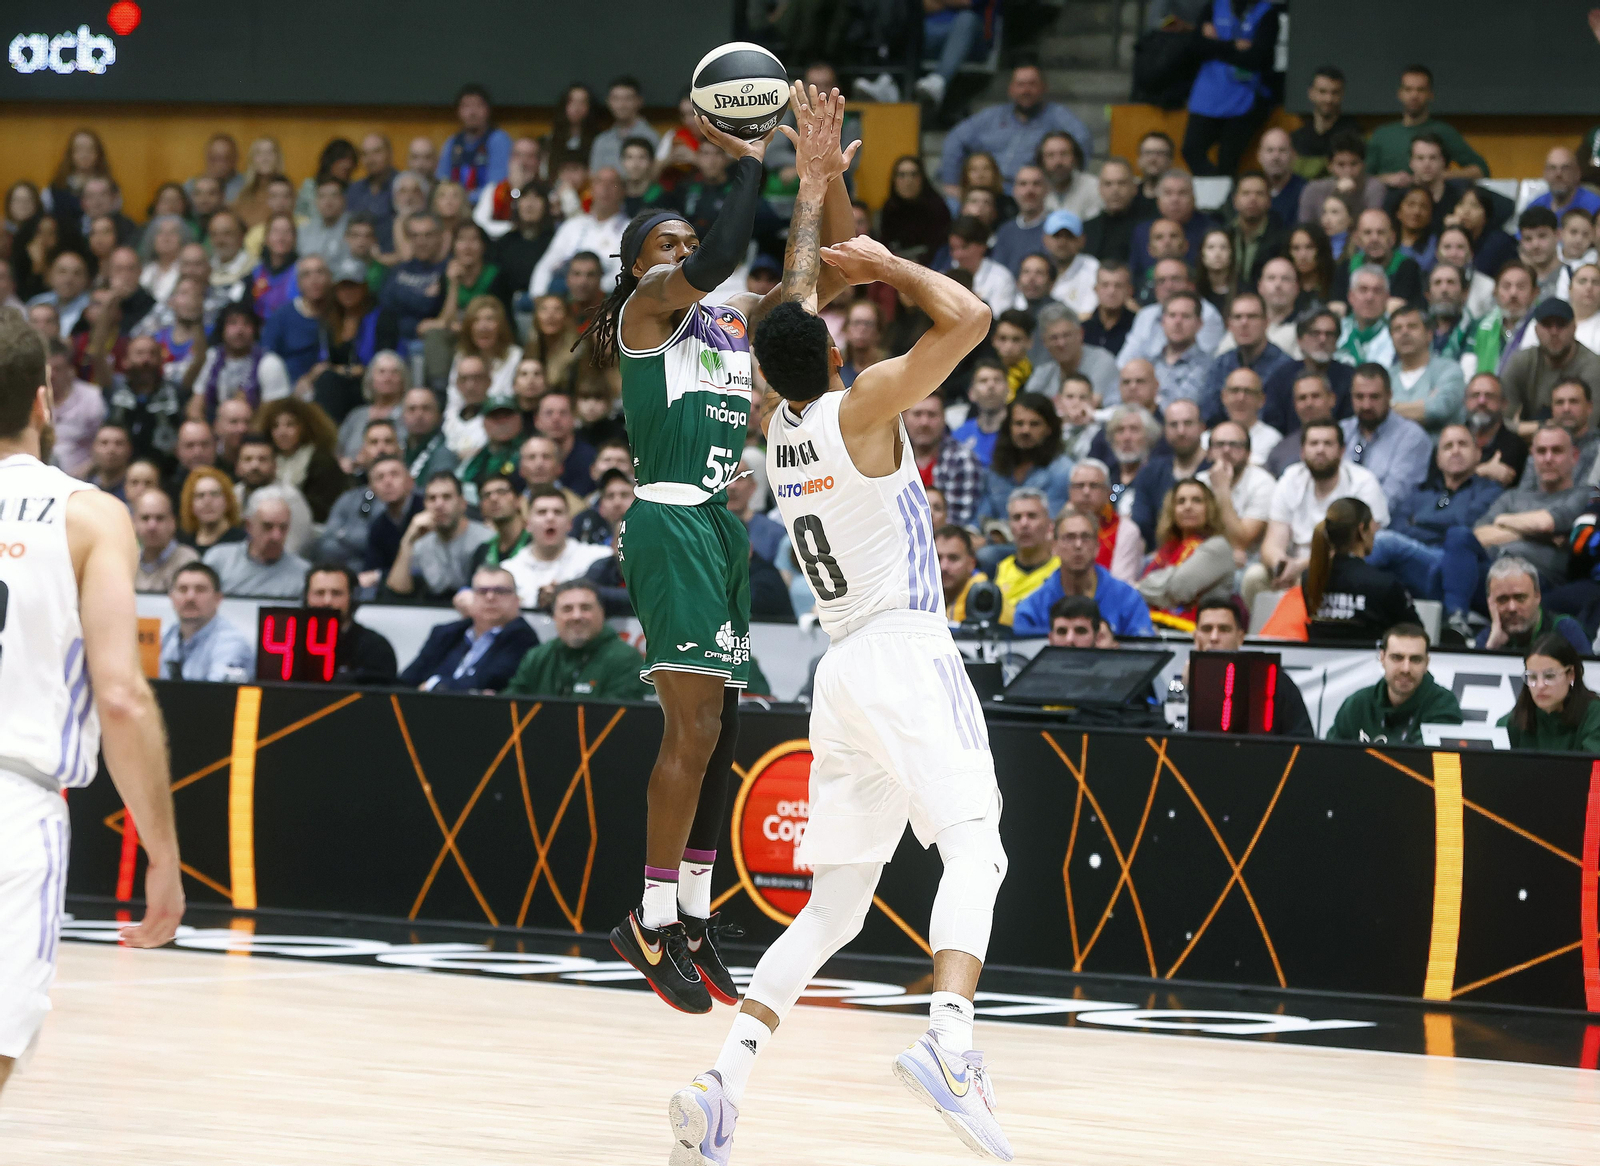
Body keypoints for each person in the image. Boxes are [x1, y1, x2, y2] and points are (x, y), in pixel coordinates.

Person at [668, 216, 1014, 1163]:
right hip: (906, 647)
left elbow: (788, 314)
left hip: (843, 670)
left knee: (834, 907)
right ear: (831, 348)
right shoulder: (862, 406)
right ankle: (950, 1039)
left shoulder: (778, 425)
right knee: (977, 850)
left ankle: (722, 1081)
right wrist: (891, 268)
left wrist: (817, 194)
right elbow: (973, 317)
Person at [584, 87, 862, 1019]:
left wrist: (815, 181)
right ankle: (650, 921)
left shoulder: (718, 318)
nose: (681, 253)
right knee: (690, 730)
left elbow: (797, 281)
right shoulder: (649, 312)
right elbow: (734, 244)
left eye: (683, 243)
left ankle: (695, 919)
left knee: (727, 732)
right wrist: (747, 156)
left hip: (717, 523)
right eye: (664, 243)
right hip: (667, 520)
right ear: (635, 268)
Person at [0, 311, 184, 1096]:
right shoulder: (89, 515)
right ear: (44, 401)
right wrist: (164, 854)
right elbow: (120, 697)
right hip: (16, 797)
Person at [1440, 428, 1591, 634]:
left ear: (1574, 456)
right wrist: (1534, 533)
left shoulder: (1584, 495)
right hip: (1492, 575)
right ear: (1532, 456)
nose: (1548, 458)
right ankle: (1456, 621)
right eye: (1541, 451)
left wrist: (1503, 524)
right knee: (1457, 537)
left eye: (1556, 451)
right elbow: (1479, 536)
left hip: (1538, 582)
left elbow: (1545, 523)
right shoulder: (1511, 498)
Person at [1253, 421, 1390, 602]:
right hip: (1293, 568)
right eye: (1314, 443)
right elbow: (1272, 542)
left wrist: (1303, 566)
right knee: (1253, 577)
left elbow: (1363, 546)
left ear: (1342, 451)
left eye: (1328, 444)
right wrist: (1281, 565)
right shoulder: (1290, 478)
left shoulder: (1363, 482)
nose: (1320, 450)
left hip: (1340, 568)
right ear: (1302, 451)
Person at [935, 63, 1092, 198]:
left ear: (1044, 88)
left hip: (1030, 193)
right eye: (1020, 85)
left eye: (1032, 84)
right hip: (988, 191)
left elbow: (1082, 140)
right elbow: (955, 139)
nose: (1026, 90)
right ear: (1011, 89)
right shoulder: (992, 117)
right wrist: (951, 183)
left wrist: (1065, 184)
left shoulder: (1058, 116)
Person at [1012, 507, 1157, 639]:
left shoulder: (1128, 599)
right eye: (1069, 537)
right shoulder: (1031, 610)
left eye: (1085, 537)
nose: (1078, 545)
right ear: (1054, 547)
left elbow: (1146, 651)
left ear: (1097, 547)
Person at [1189, 596, 1315, 737]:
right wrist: (1186, 689)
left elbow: (1302, 740)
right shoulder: (1182, 682)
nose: (1214, 637)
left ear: (1240, 637)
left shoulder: (1276, 680)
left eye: (1224, 629)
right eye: (1206, 629)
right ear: (1195, 636)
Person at [1181, 0, 1281, 178]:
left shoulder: (1267, 13)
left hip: (1245, 97)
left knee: (1227, 161)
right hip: (1208, 94)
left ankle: (1225, 198)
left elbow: (1259, 58)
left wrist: (1216, 46)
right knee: (1191, 150)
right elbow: (1196, 47)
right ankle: (1216, 189)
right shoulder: (1213, 7)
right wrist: (1233, 46)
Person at [1298, 496, 1418, 643]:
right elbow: (1415, 634)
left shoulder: (1310, 578)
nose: (1375, 532)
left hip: (1322, 664)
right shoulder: (1384, 584)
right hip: (1372, 664)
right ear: (1362, 530)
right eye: (1373, 526)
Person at [503, 579, 649, 701]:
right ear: (554, 616)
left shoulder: (625, 659)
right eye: (567, 609)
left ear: (602, 612)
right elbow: (511, 706)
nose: (576, 616)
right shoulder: (537, 657)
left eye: (585, 608)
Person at [398, 566, 538, 692]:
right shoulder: (445, 634)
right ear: (473, 597)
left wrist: (433, 685)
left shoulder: (523, 639)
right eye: (482, 591)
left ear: (516, 600)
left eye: (500, 591)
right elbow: (407, 680)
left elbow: (487, 682)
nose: (490, 597)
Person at [1326, 624, 1463, 744]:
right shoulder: (1358, 703)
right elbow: (1330, 757)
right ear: (1382, 658)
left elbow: (1430, 765)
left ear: (1426, 663)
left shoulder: (1444, 705)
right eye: (1397, 658)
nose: (1406, 669)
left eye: (1415, 659)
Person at [1365, 65, 1489, 185]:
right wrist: (1388, 179)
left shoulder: (1444, 131)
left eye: (1420, 90)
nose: (1414, 95)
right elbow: (1362, 177)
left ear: (1430, 94)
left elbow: (1481, 170)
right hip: (1390, 201)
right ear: (1400, 94)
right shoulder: (1382, 135)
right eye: (1408, 89)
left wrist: (1442, 176)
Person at [1136, 480, 1235, 623]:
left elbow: (1178, 589)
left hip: (1199, 632)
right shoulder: (1167, 550)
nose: (1188, 507)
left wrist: (1141, 586)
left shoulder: (1217, 547)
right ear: (1172, 510)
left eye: (1197, 501)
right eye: (1181, 501)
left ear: (1209, 508)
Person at [1341, 363, 1432, 515]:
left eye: (1374, 397)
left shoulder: (1411, 437)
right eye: (1359, 396)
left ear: (1389, 395)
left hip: (1385, 526)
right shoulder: (1342, 430)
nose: (1366, 405)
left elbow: (1392, 498)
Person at [385, 471, 490, 601]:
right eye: (432, 498)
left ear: (463, 503)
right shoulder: (421, 544)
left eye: (446, 497)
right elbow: (397, 593)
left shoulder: (487, 539)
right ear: (425, 505)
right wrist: (407, 542)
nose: (439, 505)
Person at [1502, 299, 1600, 437]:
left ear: (1574, 327)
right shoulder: (1521, 361)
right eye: (1547, 325)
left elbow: (1587, 427)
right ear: (1536, 330)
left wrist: (1526, 428)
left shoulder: (1593, 366)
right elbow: (1502, 423)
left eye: (1561, 325)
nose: (1554, 332)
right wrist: (1543, 427)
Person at [502, 485, 610, 609]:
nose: (550, 518)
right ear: (528, 524)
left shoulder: (597, 558)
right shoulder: (510, 571)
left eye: (558, 512)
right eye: (542, 512)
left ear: (570, 523)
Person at [974, 392, 1075, 521]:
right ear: (1009, 427)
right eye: (1019, 423)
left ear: (1049, 428)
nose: (1025, 430)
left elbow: (1056, 521)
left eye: (1034, 424)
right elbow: (983, 518)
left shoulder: (1064, 471)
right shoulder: (995, 471)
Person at [1199, 292, 1294, 425]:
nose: (1244, 323)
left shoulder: (1286, 368)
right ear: (1229, 324)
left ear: (1266, 322)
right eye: (1237, 317)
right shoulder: (1221, 364)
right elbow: (1209, 413)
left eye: (1252, 317)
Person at [1471, 555, 1591, 657]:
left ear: (1537, 596)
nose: (1512, 608)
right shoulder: (1487, 638)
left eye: (1520, 598)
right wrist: (1492, 647)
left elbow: (1586, 680)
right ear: (1490, 602)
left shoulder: (1565, 630)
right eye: (1502, 600)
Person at [1116, 258, 1226, 367]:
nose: (1168, 286)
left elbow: (1206, 363)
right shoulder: (1145, 314)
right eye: (1161, 281)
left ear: (1191, 285)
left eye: (1175, 279)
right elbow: (1124, 361)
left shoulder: (1206, 314)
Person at [299, 563, 398, 685]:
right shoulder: (292, 643)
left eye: (336, 593)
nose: (327, 601)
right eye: (319, 593)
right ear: (306, 597)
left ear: (352, 598)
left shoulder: (375, 647)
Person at [1498, 635, 1600, 752]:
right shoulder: (1515, 721)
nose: (1540, 685)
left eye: (1549, 676)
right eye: (1533, 677)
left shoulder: (1595, 715)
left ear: (1571, 674)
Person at [203, 488, 309, 599]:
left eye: (283, 528)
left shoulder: (303, 574)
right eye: (267, 526)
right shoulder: (219, 561)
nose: (276, 536)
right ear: (249, 526)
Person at [1130, 399, 1209, 549]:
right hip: (1160, 555)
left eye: (1188, 423)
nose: (1181, 431)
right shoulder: (1150, 472)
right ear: (1164, 430)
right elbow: (1141, 524)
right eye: (1173, 425)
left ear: (1202, 427)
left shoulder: (1216, 470)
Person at [157, 561, 253, 680]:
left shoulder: (232, 644)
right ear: (171, 597)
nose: (190, 597)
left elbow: (215, 694)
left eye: (200, 590)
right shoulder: (163, 636)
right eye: (183, 589)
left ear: (218, 598)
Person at [1385, 303, 1465, 435]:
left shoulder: (1450, 370)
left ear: (1429, 334)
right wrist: (1423, 404)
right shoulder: (1385, 378)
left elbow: (1438, 409)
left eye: (1412, 326)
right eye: (1397, 329)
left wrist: (1389, 409)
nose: (1404, 332)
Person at [904, 396, 982, 528]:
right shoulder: (892, 460)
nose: (924, 422)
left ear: (944, 419)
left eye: (932, 415)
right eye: (917, 414)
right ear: (904, 418)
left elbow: (958, 520)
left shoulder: (961, 459)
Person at [1130, 172, 1217, 283]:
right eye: (1168, 193)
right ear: (1158, 200)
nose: (1175, 199)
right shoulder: (1142, 232)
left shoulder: (1210, 231)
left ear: (1194, 198)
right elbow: (1134, 275)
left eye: (1182, 193)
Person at [991, 488, 1059, 626]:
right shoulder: (999, 569)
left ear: (1049, 524)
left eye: (1032, 516)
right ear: (1009, 526)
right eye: (1017, 517)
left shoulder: (1061, 569)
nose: (1024, 524)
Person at [1465, 261, 1538, 384]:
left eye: (1521, 287)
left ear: (1534, 293)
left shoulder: (1543, 327)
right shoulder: (1481, 327)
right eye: (1506, 286)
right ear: (1495, 292)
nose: (1513, 293)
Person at [1464, 372, 1528, 486]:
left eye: (1489, 396)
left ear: (1504, 404)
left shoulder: (1515, 447)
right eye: (1475, 395)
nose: (1481, 401)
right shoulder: (1449, 440)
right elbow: (1438, 486)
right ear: (1465, 401)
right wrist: (1482, 471)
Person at [945, 215, 1016, 318]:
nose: (957, 255)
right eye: (953, 249)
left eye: (964, 247)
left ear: (982, 246)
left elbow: (999, 318)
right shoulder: (945, 275)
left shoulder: (1001, 278)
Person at [133, 489, 199, 594]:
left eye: (159, 518)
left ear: (172, 523)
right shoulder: (128, 561)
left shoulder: (187, 561)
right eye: (145, 518)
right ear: (134, 523)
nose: (152, 526)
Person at [1080, 160, 1141, 266]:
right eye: (1108, 184)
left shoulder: (1147, 227)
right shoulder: (1087, 229)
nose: (1115, 190)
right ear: (1099, 189)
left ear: (1134, 188)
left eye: (1121, 183)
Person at [177, 465, 246, 552]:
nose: (207, 501)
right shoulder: (184, 546)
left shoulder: (243, 542)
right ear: (190, 505)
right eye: (200, 495)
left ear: (227, 501)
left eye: (214, 494)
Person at [936, 525, 987, 622]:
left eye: (953, 558)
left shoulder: (984, 595)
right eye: (938, 558)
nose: (943, 567)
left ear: (971, 564)